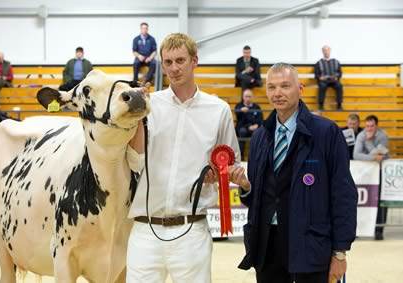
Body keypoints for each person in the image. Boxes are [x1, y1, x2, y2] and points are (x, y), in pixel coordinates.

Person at [127, 33, 240, 283]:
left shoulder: (218, 109)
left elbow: (230, 164)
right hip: (145, 230)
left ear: (194, 61)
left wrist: (216, 176)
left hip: (192, 231)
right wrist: (136, 117)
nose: (174, 68)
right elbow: (134, 162)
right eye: (168, 62)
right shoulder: (149, 105)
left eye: (180, 60)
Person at [229, 63, 357, 283]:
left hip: (311, 245)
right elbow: (258, 198)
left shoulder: (326, 132)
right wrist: (246, 187)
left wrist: (339, 252)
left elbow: (343, 195)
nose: (277, 93)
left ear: (300, 88)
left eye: (285, 86)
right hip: (268, 247)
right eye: (272, 87)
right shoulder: (261, 136)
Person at [353, 114, 389, 240]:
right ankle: (358, 229)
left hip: (379, 172)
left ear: (376, 126)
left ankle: (379, 230)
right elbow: (356, 155)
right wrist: (373, 157)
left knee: (380, 201)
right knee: (361, 201)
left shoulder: (383, 135)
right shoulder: (362, 135)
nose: (369, 129)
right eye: (367, 126)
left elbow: (382, 156)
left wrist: (368, 144)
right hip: (364, 173)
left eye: (372, 126)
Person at [235, 88, 263, 156]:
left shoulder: (257, 107)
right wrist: (241, 111)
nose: (248, 98)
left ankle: (254, 156)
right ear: (243, 97)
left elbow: (260, 119)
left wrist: (256, 125)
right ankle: (241, 156)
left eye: (249, 96)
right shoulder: (239, 106)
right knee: (242, 131)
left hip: (254, 128)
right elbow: (240, 121)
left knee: (258, 132)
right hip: (243, 128)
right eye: (246, 96)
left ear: (252, 97)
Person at [314, 45, 343, 110]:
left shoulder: (336, 61)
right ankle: (321, 105)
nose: (326, 52)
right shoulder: (319, 62)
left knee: (339, 86)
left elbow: (340, 73)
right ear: (322, 52)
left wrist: (337, 77)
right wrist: (320, 77)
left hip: (334, 81)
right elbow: (316, 74)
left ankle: (339, 105)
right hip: (324, 81)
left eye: (327, 50)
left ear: (330, 51)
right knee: (322, 86)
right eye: (324, 50)